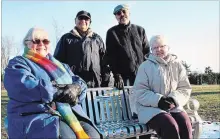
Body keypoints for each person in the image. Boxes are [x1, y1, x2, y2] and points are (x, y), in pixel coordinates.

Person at [3, 27, 100, 139]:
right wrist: (58, 92)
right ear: (27, 43)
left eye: (45, 41)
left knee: (94, 135)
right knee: (68, 137)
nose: (41, 44)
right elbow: (23, 86)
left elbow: (78, 81)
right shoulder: (18, 63)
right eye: (36, 41)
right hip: (35, 115)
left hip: (67, 114)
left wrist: (77, 88)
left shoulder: (60, 66)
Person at [133, 35, 192, 139]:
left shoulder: (177, 65)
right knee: (170, 126)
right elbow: (140, 92)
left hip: (172, 106)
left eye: (161, 46)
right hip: (149, 109)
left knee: (185, 124)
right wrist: (159, 100)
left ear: (168, 47)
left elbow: (184, 88)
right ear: (151, 50)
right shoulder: (145, 66)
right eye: (155, 48)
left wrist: (173, 99)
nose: (158, 50)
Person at [54, 10, 112, 88]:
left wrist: (105, 81)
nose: (83, 21)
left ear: (90, 22)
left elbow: (104, 62)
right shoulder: (66, 38)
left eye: (86, 19)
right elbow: (57, 63)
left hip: (95, 84)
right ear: (75, 20)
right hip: (73, 86)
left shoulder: (97, 39)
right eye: (80, 18)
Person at [106, 4, 150, 89]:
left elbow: (147, 52)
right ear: (116, 17)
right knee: (127, 100)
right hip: (124, 78)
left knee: (145, 99)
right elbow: (111, 57)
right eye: (118, 13)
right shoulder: (111, 33)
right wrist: (117, 75)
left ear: (129, 13)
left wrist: (148, 71)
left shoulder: (140, 30)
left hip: (143, 75)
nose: (122, 14)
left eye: (124, 11)